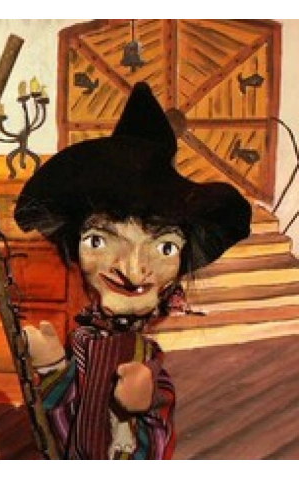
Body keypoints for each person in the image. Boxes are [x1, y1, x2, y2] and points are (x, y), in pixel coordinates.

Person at [14, 82, 251, 461]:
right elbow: (64, 417)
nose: (132, 269)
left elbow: (158, 417)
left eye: (164, 247)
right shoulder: (83, 340)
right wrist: (54, 367)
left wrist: (148, 397)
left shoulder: (144, 353)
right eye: (99, 240)